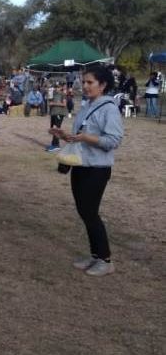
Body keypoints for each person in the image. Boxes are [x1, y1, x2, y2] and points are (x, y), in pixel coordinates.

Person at [49, 66, 123, 277]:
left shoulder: (109, 109)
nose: (85, 86)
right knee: (84, 212)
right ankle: (95, 255)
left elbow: (113, 141)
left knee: (90, 213)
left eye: (90, 82)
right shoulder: (86, 106)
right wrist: (63, 135)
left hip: (97, 168)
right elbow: (78, 137)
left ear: (103, 84)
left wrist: (85, 138)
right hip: (80, 165)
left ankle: (105, 259)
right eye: (84, 81)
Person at [46, 83, 66, 152]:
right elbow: (49, 101)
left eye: (58, 87)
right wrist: (49, 93)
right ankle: (53, 144)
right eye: (55, 87)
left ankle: (56, 145)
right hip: (53, 113)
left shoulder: (62, 94)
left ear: (61, 88)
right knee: (53, 129)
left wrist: (54, 104)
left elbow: (64, 104)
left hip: (59, 113)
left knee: (56, 129)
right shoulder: (53, 94)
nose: (56, 88)